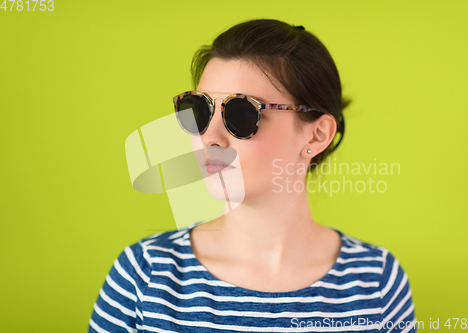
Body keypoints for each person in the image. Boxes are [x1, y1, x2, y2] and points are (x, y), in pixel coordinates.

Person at [88, 19, 417, 332]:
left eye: (242, 113)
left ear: (316, 135)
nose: (210, 137)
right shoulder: (142, 276)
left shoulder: (376, 283)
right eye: (199, 110)